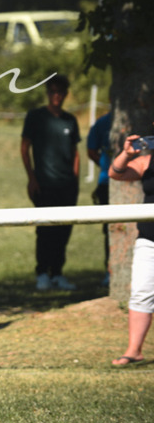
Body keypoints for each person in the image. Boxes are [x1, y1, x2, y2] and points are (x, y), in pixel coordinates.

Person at [21, 74, 80, 291]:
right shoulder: (36, 117)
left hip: (67, 185)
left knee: (64, 230)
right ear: (47, 93)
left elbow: (75, 153)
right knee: (45, 230)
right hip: (44, 182)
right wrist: (31, 177)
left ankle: (58, 272)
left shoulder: (69, 121)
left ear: (65, 94)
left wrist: (75, 180)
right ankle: (42, 273)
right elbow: (24, 147)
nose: (56, 96)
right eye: (52, 91)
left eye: (60, 92)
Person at [108, 130, 154, 365]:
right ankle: (133, 350)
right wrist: (126, 154)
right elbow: (115, 173)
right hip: (149, 238)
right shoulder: (147, 159)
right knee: (140, 293)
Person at [87, 112, 113, 286]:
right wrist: (106, 165)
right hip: (107, 183)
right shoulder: (102, 123)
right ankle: (110, 270)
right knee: (111, 229)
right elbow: (91, 150)